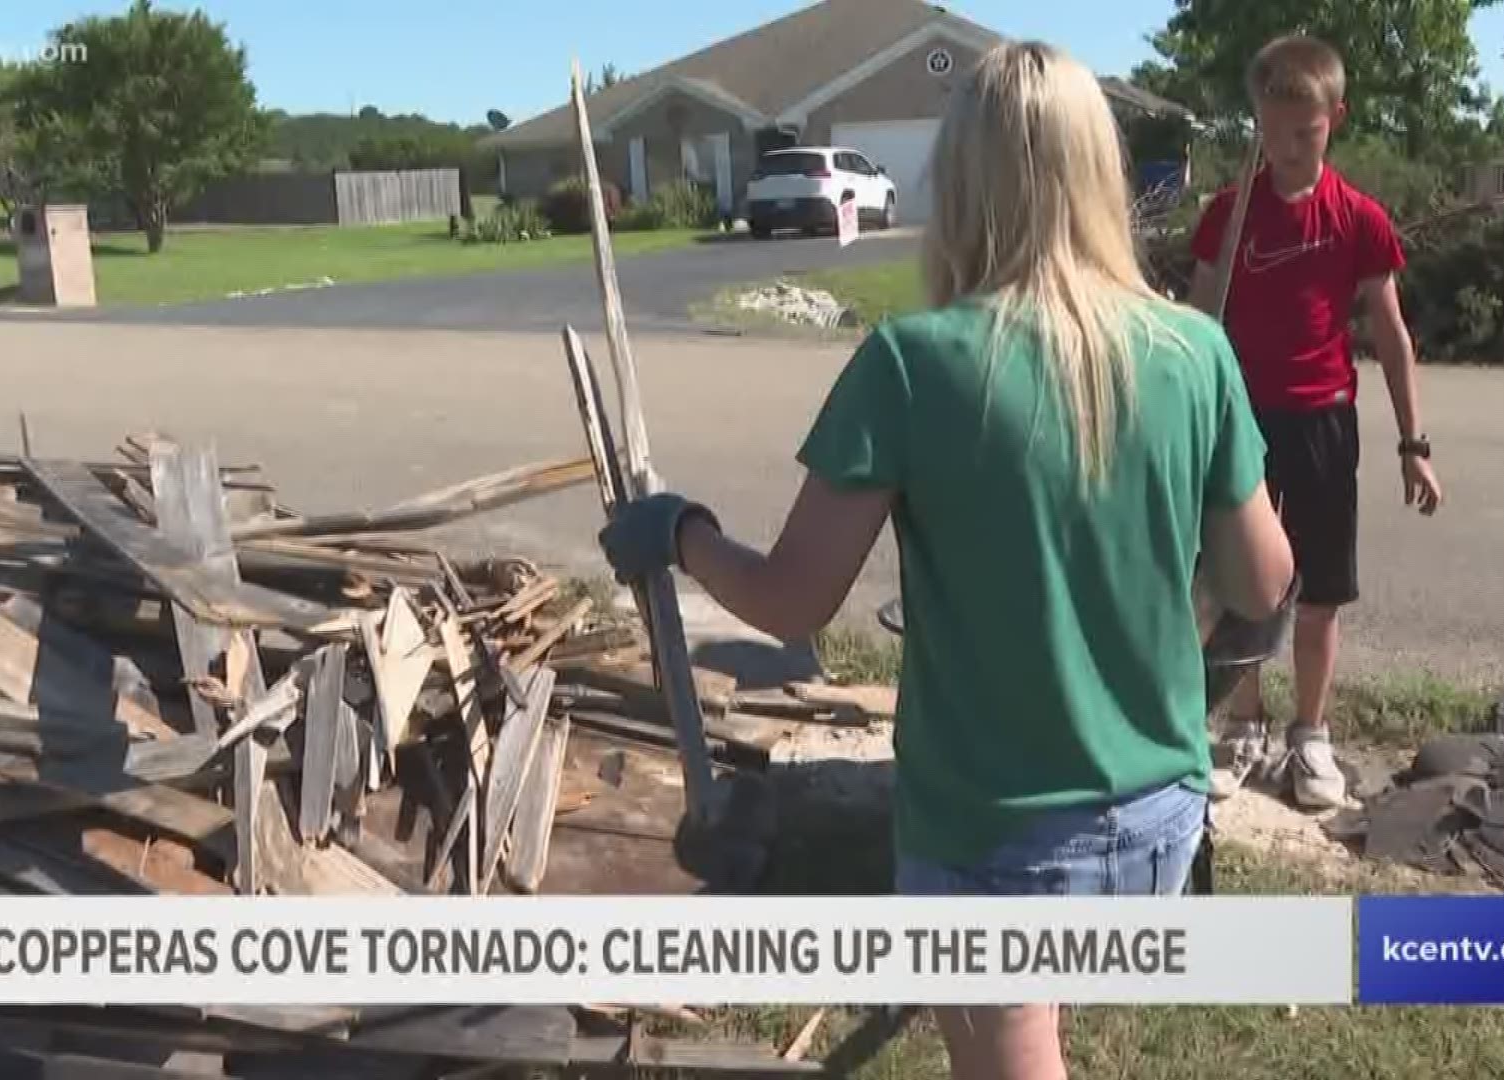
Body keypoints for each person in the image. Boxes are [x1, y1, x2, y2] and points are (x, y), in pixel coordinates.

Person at [599, 41, 1295, 1080]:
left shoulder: (913, 364)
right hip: (1160, 824)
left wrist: (682, 533)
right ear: (1097, 174)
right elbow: (1262, 588)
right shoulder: (1196, 353)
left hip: (993, 847)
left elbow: (794, 601)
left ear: (962, 182)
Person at [1188, 35, 1444, 811]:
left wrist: (1414, 444)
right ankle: (1244, 724)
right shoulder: (1229, 215)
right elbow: (1198, 323)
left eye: (1307, 131)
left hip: (1326, 424)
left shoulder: (1359, 219)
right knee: (1241, 584)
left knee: (1321, 592)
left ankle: (1310, 734)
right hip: (1241, 426)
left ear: (1338, 117)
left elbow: (1392, 337)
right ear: (1256, 122)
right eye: (1273, 130)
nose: (1290, 148)